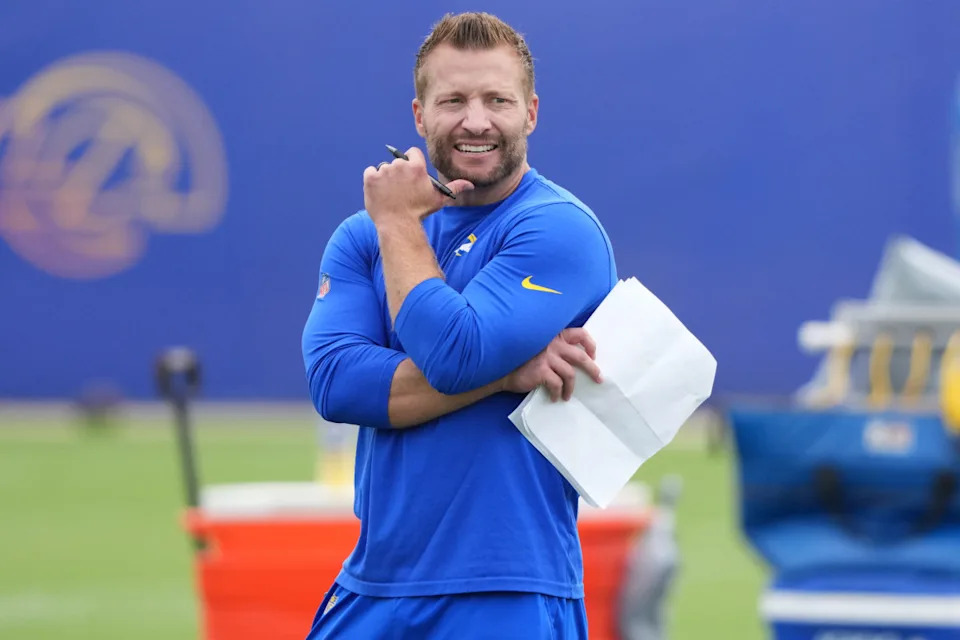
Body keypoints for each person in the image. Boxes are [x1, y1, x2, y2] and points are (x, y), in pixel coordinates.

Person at [301, 11, 618, 639]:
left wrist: (399, 223)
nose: (476, 121)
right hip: (373, 584)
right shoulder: (362, 235)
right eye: (453, 101)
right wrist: (506, 375)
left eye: (497, 100)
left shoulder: (559, 228)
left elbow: (455, 354)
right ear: (420, 116)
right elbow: (337, 385)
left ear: (531, 113)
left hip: (507, 588)